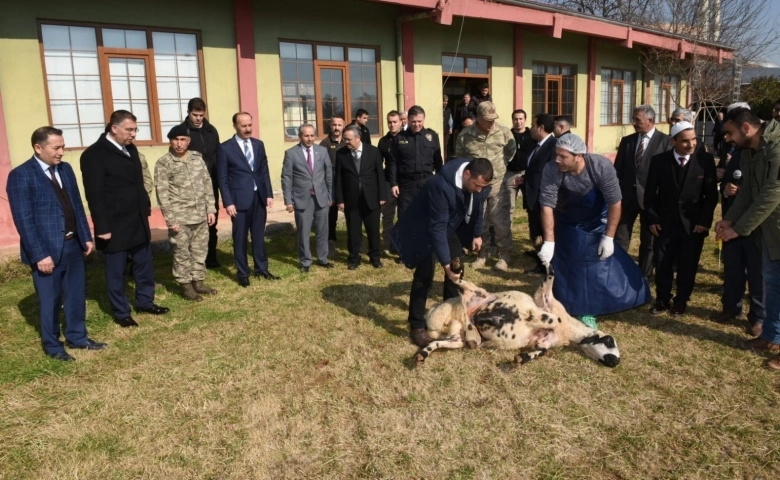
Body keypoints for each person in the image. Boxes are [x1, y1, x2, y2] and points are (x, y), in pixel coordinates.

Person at [7, 127, 105, 360]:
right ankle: (53, 346)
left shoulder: (65, 169)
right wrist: (39, 254)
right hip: (46, 250)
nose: (62, 151)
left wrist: (86, 236)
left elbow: (76, 206)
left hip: (73, 245)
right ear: (38, 148)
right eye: (56, 147)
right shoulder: (21, 175)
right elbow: (24, 220)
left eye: (63, 146)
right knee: (50, 301)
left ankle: (78, 337)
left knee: (75, 295)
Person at [538, 134, 650, 319]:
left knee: (597, 265)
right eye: (556, 154)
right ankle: (568, 303)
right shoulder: (552, 169)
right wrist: (549, 242)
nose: (557, 159)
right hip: (566, 219)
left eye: (563, 156)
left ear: (579, 156)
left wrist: (609, 237)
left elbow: (615, 202)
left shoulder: (600, 166)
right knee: (568, 261)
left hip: (596, 219)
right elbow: (547, 205)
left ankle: (607, 301)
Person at [392, 157, 493, 347]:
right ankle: (416, 326)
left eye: (482, 187)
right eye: (477, 185)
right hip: (424, 228)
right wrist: (445, 263)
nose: (479, 190)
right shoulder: (439, 185)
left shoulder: (478, 182)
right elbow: (436, 228)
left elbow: (479, 207)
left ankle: (449, 313)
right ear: (467, 174)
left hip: (449, 225)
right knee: (425, 275)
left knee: (457, 269)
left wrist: (477, 234)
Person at [80, 110, 169, 327]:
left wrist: (145, 208)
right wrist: (102, 226)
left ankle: (145, 302)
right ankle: (121, 313)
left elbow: (138, 183)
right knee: (116, 272)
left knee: (143, 264)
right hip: (114, 223)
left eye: (135, 129)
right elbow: (95, 194)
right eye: (129, 130)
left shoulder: (130, 149)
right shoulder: (94, 155)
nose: (133, 134)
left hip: (137, 219)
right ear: (114, 128)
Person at [716, 107, 780, 370]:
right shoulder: (748, 151)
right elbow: (746, 194)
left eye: (730, 132)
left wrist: (739, 229)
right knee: (773, 284)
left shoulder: (776, 147)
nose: (727, 139)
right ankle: (771, 337)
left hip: (773, 224)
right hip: (771, 231)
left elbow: (771, 194)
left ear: (745, 128)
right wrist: (730, 218)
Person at [645, 121, 718, 316]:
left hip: (693, 225)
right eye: (685, 141)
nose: (691, 144)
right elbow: (650, 193)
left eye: (694, 139)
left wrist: (703, 222)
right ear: (673, 141)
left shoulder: (705, 160)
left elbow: (711, 196)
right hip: (664, 224)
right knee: (662, 263)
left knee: (688, 265)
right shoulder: (659, 161)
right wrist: (652, 219)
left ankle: (681, 301)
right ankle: (662, 299)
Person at [154, 125, 217, 301]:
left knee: (199, 250)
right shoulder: (164, 163)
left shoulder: (197, 159)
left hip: (200, 215)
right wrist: (170, 219)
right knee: (182, 253)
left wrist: (211, 209)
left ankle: (198, 281)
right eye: (175, 140)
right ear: (170, 141)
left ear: (189, 141)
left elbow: (207, 184)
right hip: (180, 218)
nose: (179, 144)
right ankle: (185, 285)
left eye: (183, 140)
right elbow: (162, 194)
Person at [217, 112, 279, 287]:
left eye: (250, 125)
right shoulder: (225, 148)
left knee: (259, 236)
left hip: (258, 198)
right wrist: (228, 202)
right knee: (240, 237)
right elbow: (222, 178)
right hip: (238, 201)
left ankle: (261, 269)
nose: (247, 129)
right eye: (243, 125)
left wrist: (268, 194)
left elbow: (263, 170)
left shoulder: (258, 145)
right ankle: (242, 272)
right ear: (235, 126)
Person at [455, 101, 516, 271]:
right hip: (476, 186)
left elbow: (511, 151)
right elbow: (460, 158)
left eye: (493, 119)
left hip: (497, 183)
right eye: (488, 120)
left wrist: (500, 165)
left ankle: (504, 255)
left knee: (500, 221)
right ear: (479, 118)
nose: (491, 123)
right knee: (479, 221)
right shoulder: (466, 135)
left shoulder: (503, 132)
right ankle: (483, 253)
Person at [712, 137, 764, 335]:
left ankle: (758, 317)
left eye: (731, 131)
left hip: (756, 226)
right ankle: (731, 308)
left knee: (757, 273)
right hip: (732, 222)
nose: (728, 138)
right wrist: (726, 190)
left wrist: (743, 192)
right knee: (733, 269)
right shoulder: (737, 155)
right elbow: (726, 179)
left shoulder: (766, 155)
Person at [613, 105, 672, 279]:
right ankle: (618, 272)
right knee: (621, 236)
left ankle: (644, 275)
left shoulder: (666, 142)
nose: (634, 123)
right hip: (627, 198)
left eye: (637, 120)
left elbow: (668, 175)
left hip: (652, 200)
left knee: (649, 241)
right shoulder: (627, 141)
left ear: (650, 121)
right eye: (634, 119)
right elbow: (618, 170)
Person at [282, 124, 333, 273]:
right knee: (304, 232)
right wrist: (288, 201)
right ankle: (305, 261)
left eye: (312, 135)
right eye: (306, 136)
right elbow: (286, 178)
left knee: (323, 230)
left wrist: (330, 195)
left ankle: (323, 258)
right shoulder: (291, 153)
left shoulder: (322, 151)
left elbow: (328, 173)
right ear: (300, 136)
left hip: (321, 197)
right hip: (302, 198)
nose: (310, 138)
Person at [335, 125, 387, 269]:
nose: (346, 142)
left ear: (358, 138)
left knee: (373, 231)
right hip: (351, 200)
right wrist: (340, 200)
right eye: (344, 139)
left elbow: (380, 176)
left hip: (371, 199)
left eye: (349, 139)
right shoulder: (341, 154)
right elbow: (338, 179)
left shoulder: (373, 151)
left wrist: (382, 195)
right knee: (353, 231)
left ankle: (375, 257)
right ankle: (354, 258)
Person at [180, 97, 221, 269]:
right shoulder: (182, 132)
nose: (198, 118)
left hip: (211, 182)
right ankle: (191, 260)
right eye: (195, 115)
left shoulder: (211, 130)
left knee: (212, 221)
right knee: (192, 225)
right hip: (190, 185)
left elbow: (217, 154)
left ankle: (210, 258)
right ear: (188, 112)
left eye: (201, 115)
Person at [388, 105, 443, 218]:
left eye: (419, 121)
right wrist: (394, 184)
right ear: (408, 120)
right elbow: (393, 162)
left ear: (424, 119)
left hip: (426, 181)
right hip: (406, 184)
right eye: (413, 121)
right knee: (405, 217)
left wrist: (440, 180)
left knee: (426, 215)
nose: (417, 124)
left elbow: (438, 161)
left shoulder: (432, 136)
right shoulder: (399, 138)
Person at [518, 113, 557, 274]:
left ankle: (545, 265)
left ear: (541, 128)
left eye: (533, 126)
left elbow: (551, 174)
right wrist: (524, 179)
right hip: (532, 197)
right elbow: (535, 170)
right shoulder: (538, 145)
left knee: (543, 231)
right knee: (535, 230)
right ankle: (540, 257)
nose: (531, 129)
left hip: (543, 199)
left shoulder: (553, 146)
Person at [319, 115, 347, 258]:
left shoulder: (347, 142)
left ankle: (356, 241)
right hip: (330, 185)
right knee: (331, 216)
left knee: (352, 213)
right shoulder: (324, 144)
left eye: (339, 125)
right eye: (334, 125)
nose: (336, 128)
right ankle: (330, 243)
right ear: (330, 126)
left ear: (343, 126)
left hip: (347, 183)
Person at [377, 110, 403, 252]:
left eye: (394, 122)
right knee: (387, 215)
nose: (392, 125)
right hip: (388, 182)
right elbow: (378, 164)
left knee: (403, 215)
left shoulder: (407, 138)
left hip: (404, 181)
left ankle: (400, 244)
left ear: (400, 122)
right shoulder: (383, 141)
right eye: (389, 122)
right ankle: (388, 243)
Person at [507, 109, 536, 215]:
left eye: (520, 119)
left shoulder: (532, 136)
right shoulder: (507, 135)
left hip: (527, 173)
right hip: (510, 174)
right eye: (515, 119)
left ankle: (534, 231)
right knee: (508, 207)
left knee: (531, 205)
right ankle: (507, 231)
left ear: (525, 120)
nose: (518, 122)